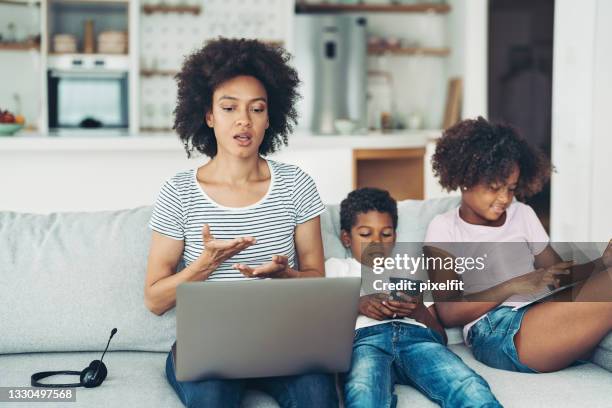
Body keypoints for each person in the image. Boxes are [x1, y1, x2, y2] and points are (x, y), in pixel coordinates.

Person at [144, 38, 338, 408]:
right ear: (208, 116)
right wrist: (205, 265)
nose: (243, 120)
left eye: (257, 109)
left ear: (270, 118)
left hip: (286, 340)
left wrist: (288, 278)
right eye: (229, 107)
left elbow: (317, 280)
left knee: (319, 396)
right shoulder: (179, 192)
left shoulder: (296, 184)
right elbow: (154, 300)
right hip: (208, 345)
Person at [425, 116, 612, 374]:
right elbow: (447, 311)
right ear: (463, 180)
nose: (504, 198)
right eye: (494, 188)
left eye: (511, 189)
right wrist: (516, 284)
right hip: (497, 330)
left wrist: (602, 262)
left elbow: (558, 274)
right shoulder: (444, 227)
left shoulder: (522, 214)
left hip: (540, 309)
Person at [326, 187, 501, 408]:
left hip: (418, 340)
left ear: (395, 236)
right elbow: (320, 323)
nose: (377, 242)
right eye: (365, 234)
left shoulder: (410, 270)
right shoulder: (335, 268)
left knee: (468, 385)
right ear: (346, 238)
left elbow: (440, 336)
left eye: (386, 233)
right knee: (363, 390)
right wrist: (358, 304)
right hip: (364, 342)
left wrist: (418, 311)